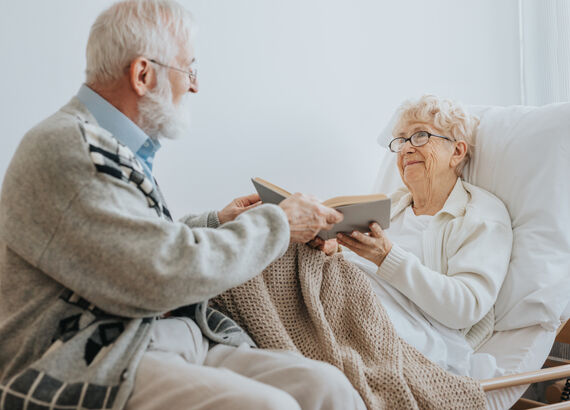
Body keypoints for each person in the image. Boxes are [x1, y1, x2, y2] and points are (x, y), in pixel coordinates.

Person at [0, 1, 366, 410]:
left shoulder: (108, 144)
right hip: (91, 353)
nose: (194, 86)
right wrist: (278, 222)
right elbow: (159, 273)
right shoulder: (68, 146)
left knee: (327, 387)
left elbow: (136, 244)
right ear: (143, 74)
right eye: (188, 69)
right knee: (269, 406)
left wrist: (220, 221)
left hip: (164, 336)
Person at [331, 95, 513, 354]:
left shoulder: (480, 214)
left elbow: (466, 306)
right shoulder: (390, 205)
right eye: (402, 140)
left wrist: (388, 257)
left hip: (409, 330)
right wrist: (332, 249)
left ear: (457, 151)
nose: (406, 148)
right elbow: (353, 264)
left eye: (420, 136)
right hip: (345, 300)